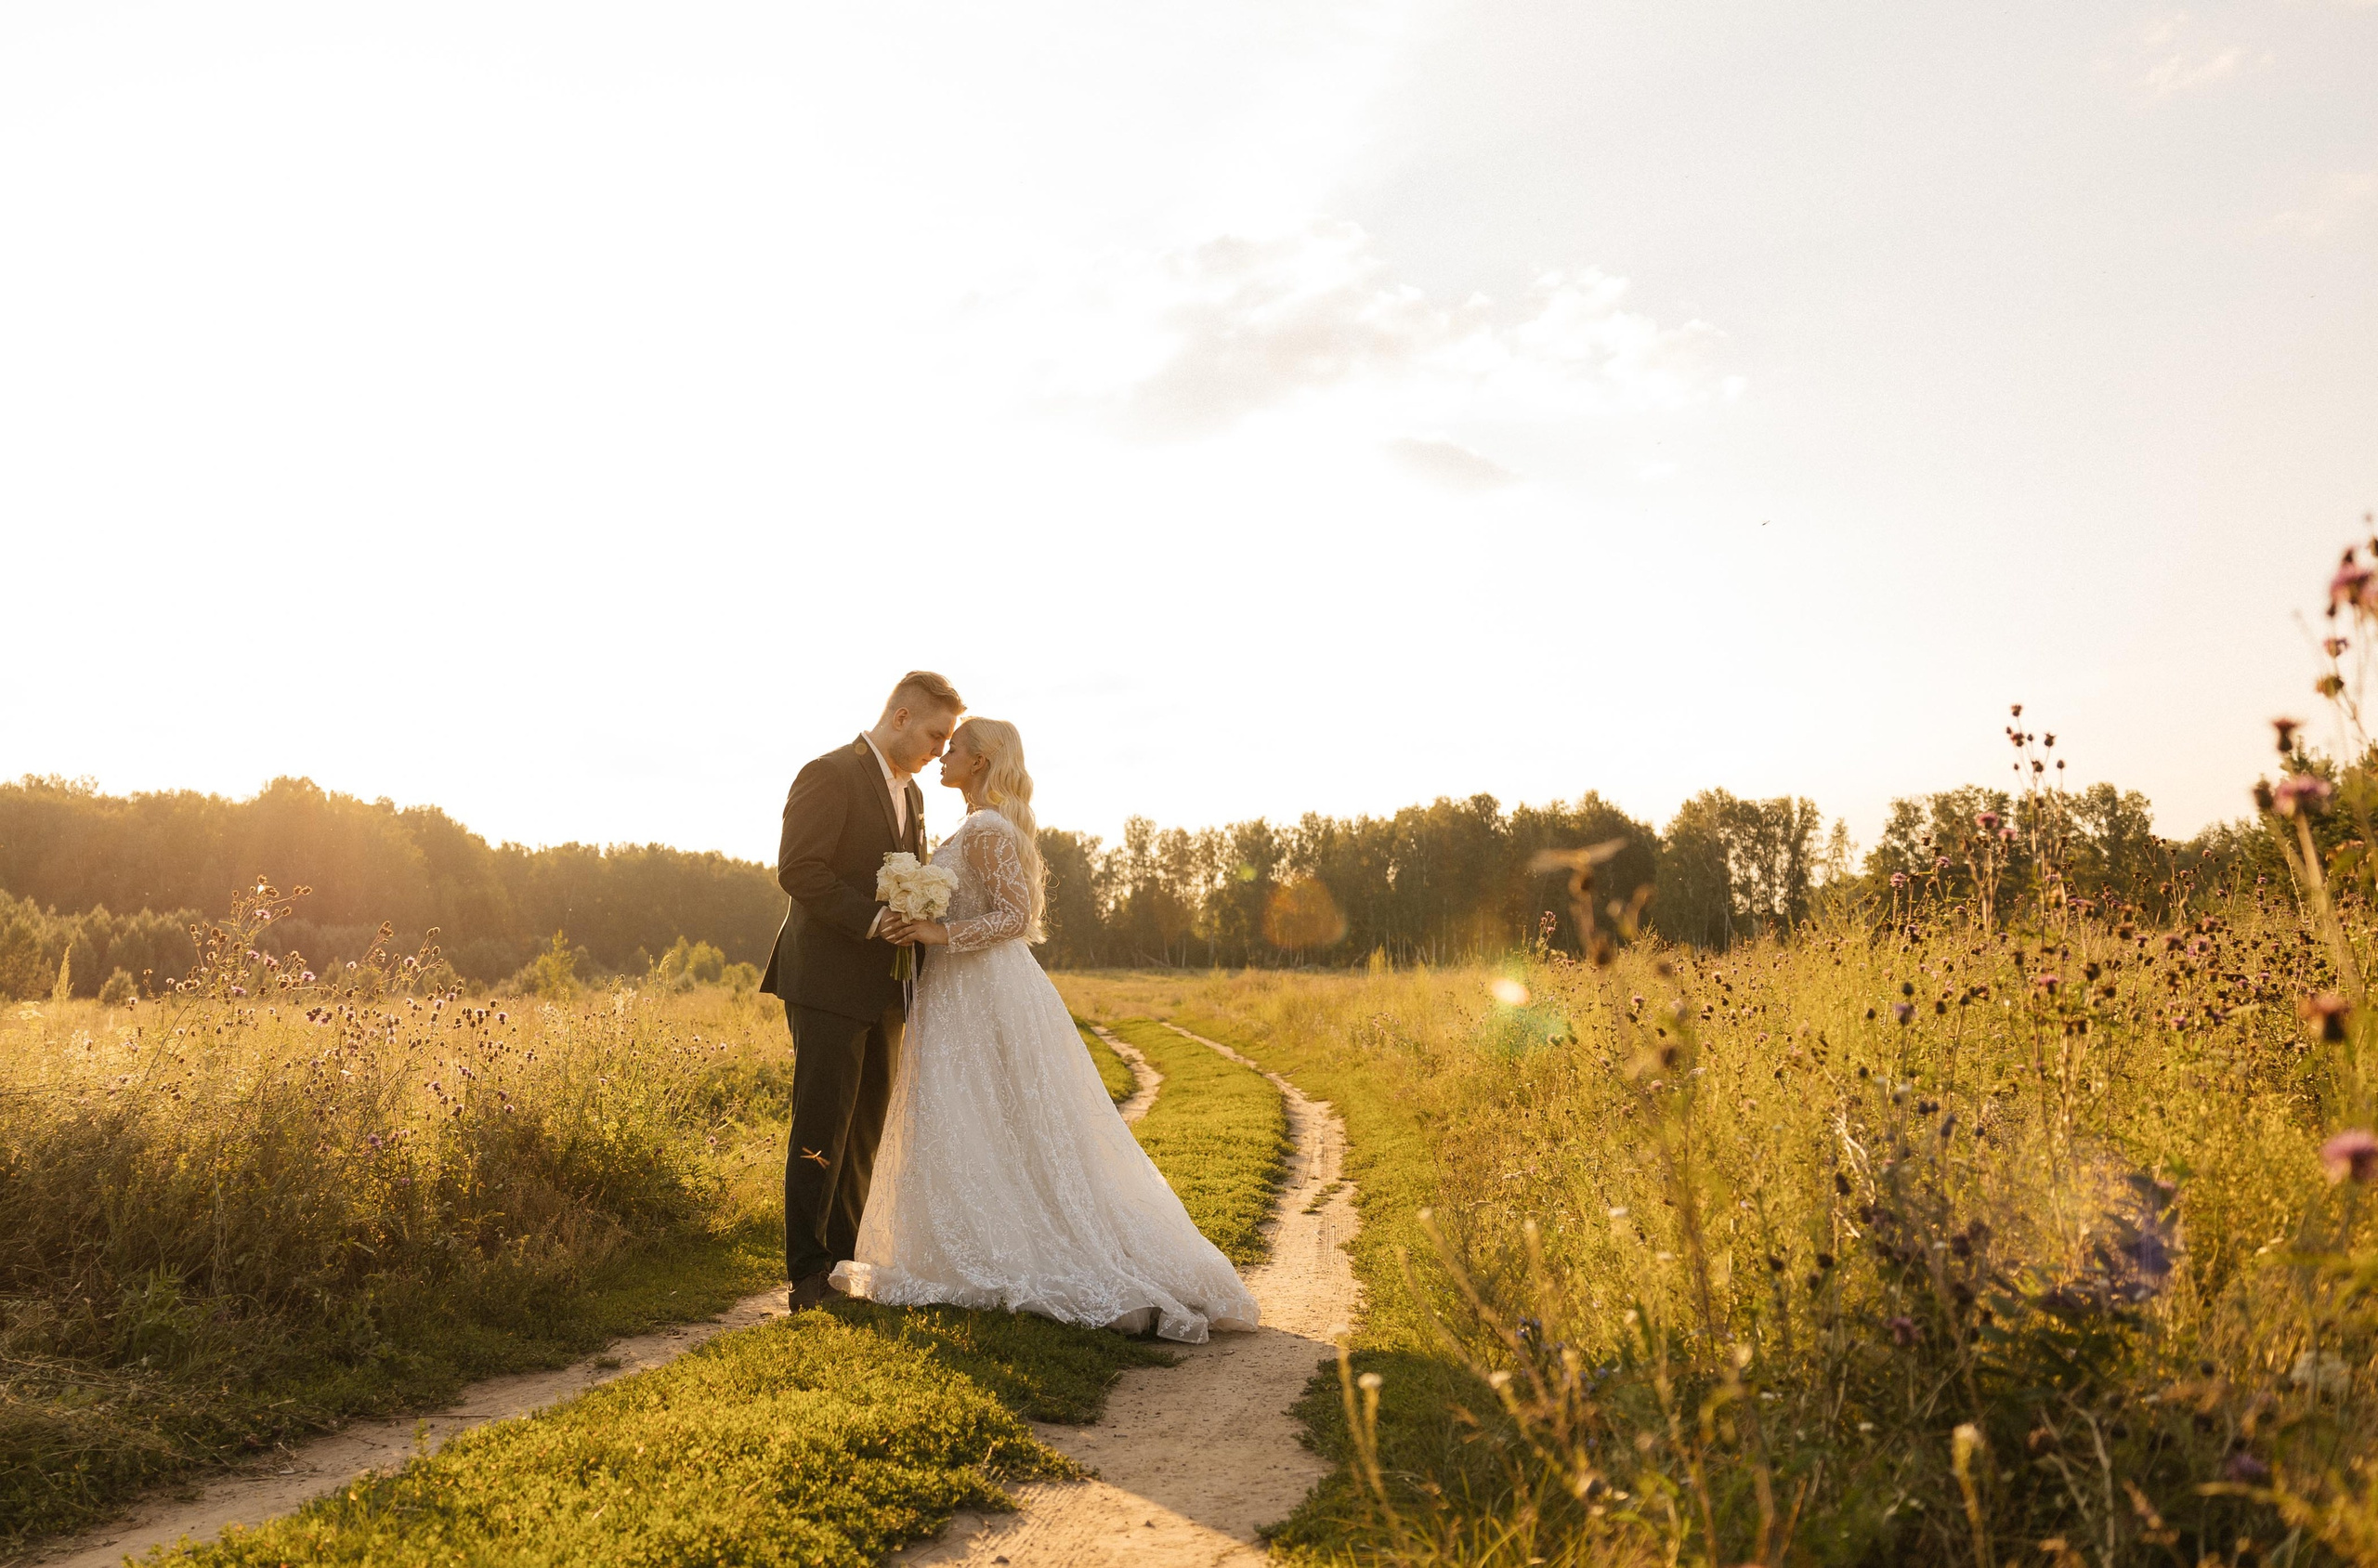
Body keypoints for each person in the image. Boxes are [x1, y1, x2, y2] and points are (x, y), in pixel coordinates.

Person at [840, 717, 1259, 1343]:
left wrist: (937, 932)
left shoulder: (985, 827)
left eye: (953, 748)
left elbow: (1016, 916)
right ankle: (975, 1237)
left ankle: (1037, 1253)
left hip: (982, 989)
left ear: (979, 761)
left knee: (993, 1116)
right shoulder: (977, 824)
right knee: (979, 1120)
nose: (942, 756)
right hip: (960, 990)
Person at [761, 671, 963, 1311]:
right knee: (822, 1126)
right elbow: (799, 869)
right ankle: (808, 1275)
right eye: (936, 735)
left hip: (885, 988)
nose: (940, 750)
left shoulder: (915, 798)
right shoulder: (828, 774)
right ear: (900, 717)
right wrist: (874, 919)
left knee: (866, 1128)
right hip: (825, 980)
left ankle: (845, 1262)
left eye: (948, 739)